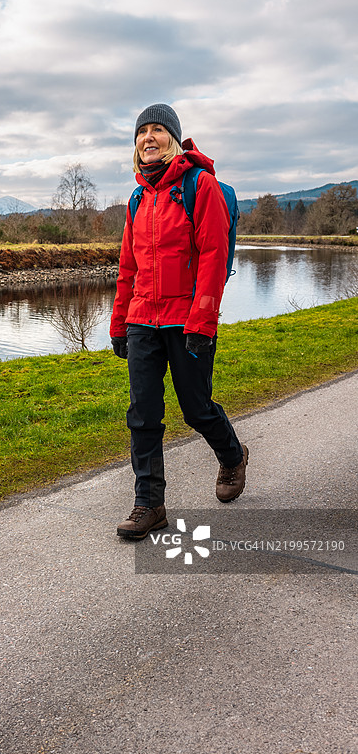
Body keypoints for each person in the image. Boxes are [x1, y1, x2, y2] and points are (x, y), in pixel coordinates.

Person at [110, 103, 248, 540]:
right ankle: (150, 504)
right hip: (141, 321)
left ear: (173, 138)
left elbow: (212, 256)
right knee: (142, 414)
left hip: (186, 321)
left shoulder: (198, 185)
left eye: (157, 130)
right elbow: (127, 267)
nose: (148, 137)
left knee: (196, 408)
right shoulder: (137, 198)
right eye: (141, 132)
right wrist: (119, 323)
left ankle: (232, 455)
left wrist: (203, 322)